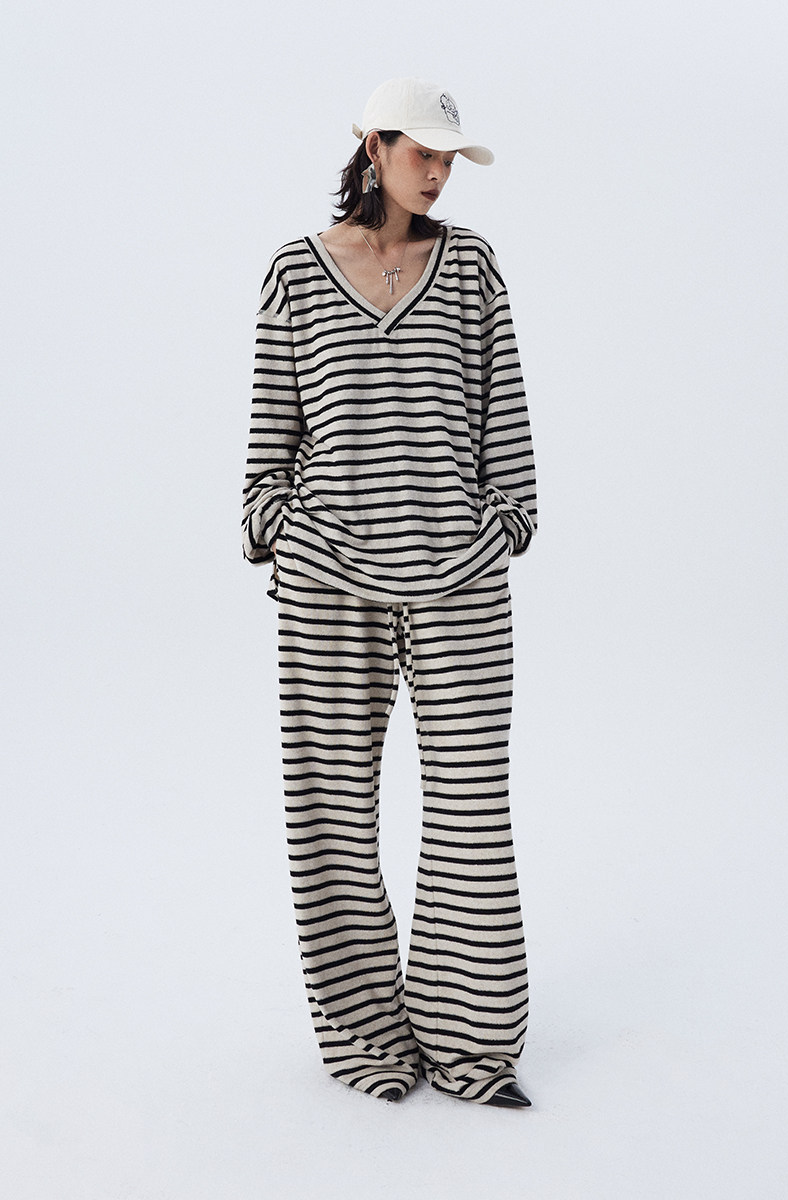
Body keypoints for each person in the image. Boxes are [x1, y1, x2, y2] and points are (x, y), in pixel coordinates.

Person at [242, 78, 538, 1108]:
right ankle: (366, 1038)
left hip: (460, 581)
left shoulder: (472, 268)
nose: (439, 172)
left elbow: (506, 421)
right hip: (328, 581)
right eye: (424, 152)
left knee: (471, 812)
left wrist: (502, 526)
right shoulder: (294, 271)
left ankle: (471, 1048)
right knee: (330, 815)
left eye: (450, 157)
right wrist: (281, 530)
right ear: (374, 146)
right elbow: (269, 440)